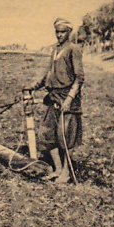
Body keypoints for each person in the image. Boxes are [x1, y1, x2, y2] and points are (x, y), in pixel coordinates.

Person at [26, 18, 84, 183]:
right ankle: (57, 169)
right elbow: (48, 75)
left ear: (69, 33)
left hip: (68, 99)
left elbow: (79, 78)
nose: (59, 35)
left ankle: (66, 172)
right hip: (53, 98)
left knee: (64, 137)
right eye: (57, 32)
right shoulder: (55, 50)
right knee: (46, 134)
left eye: (62, 32)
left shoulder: (74, 49)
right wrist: (33, 86)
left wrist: (69, 99)